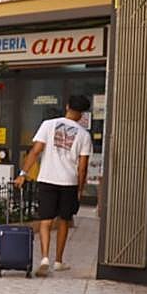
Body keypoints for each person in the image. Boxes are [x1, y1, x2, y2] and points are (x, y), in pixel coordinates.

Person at [14, 94, 93, 277]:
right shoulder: (84, 135)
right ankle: (58, 261)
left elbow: (35, 151)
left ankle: (44, 259)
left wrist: (22, 174)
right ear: (82, 114)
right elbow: (82, 168)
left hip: (47, 179)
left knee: (45, 221)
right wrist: (80, 189)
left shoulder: (48, 125)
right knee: (64, 220)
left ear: (67, 106)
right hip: (69, 182)